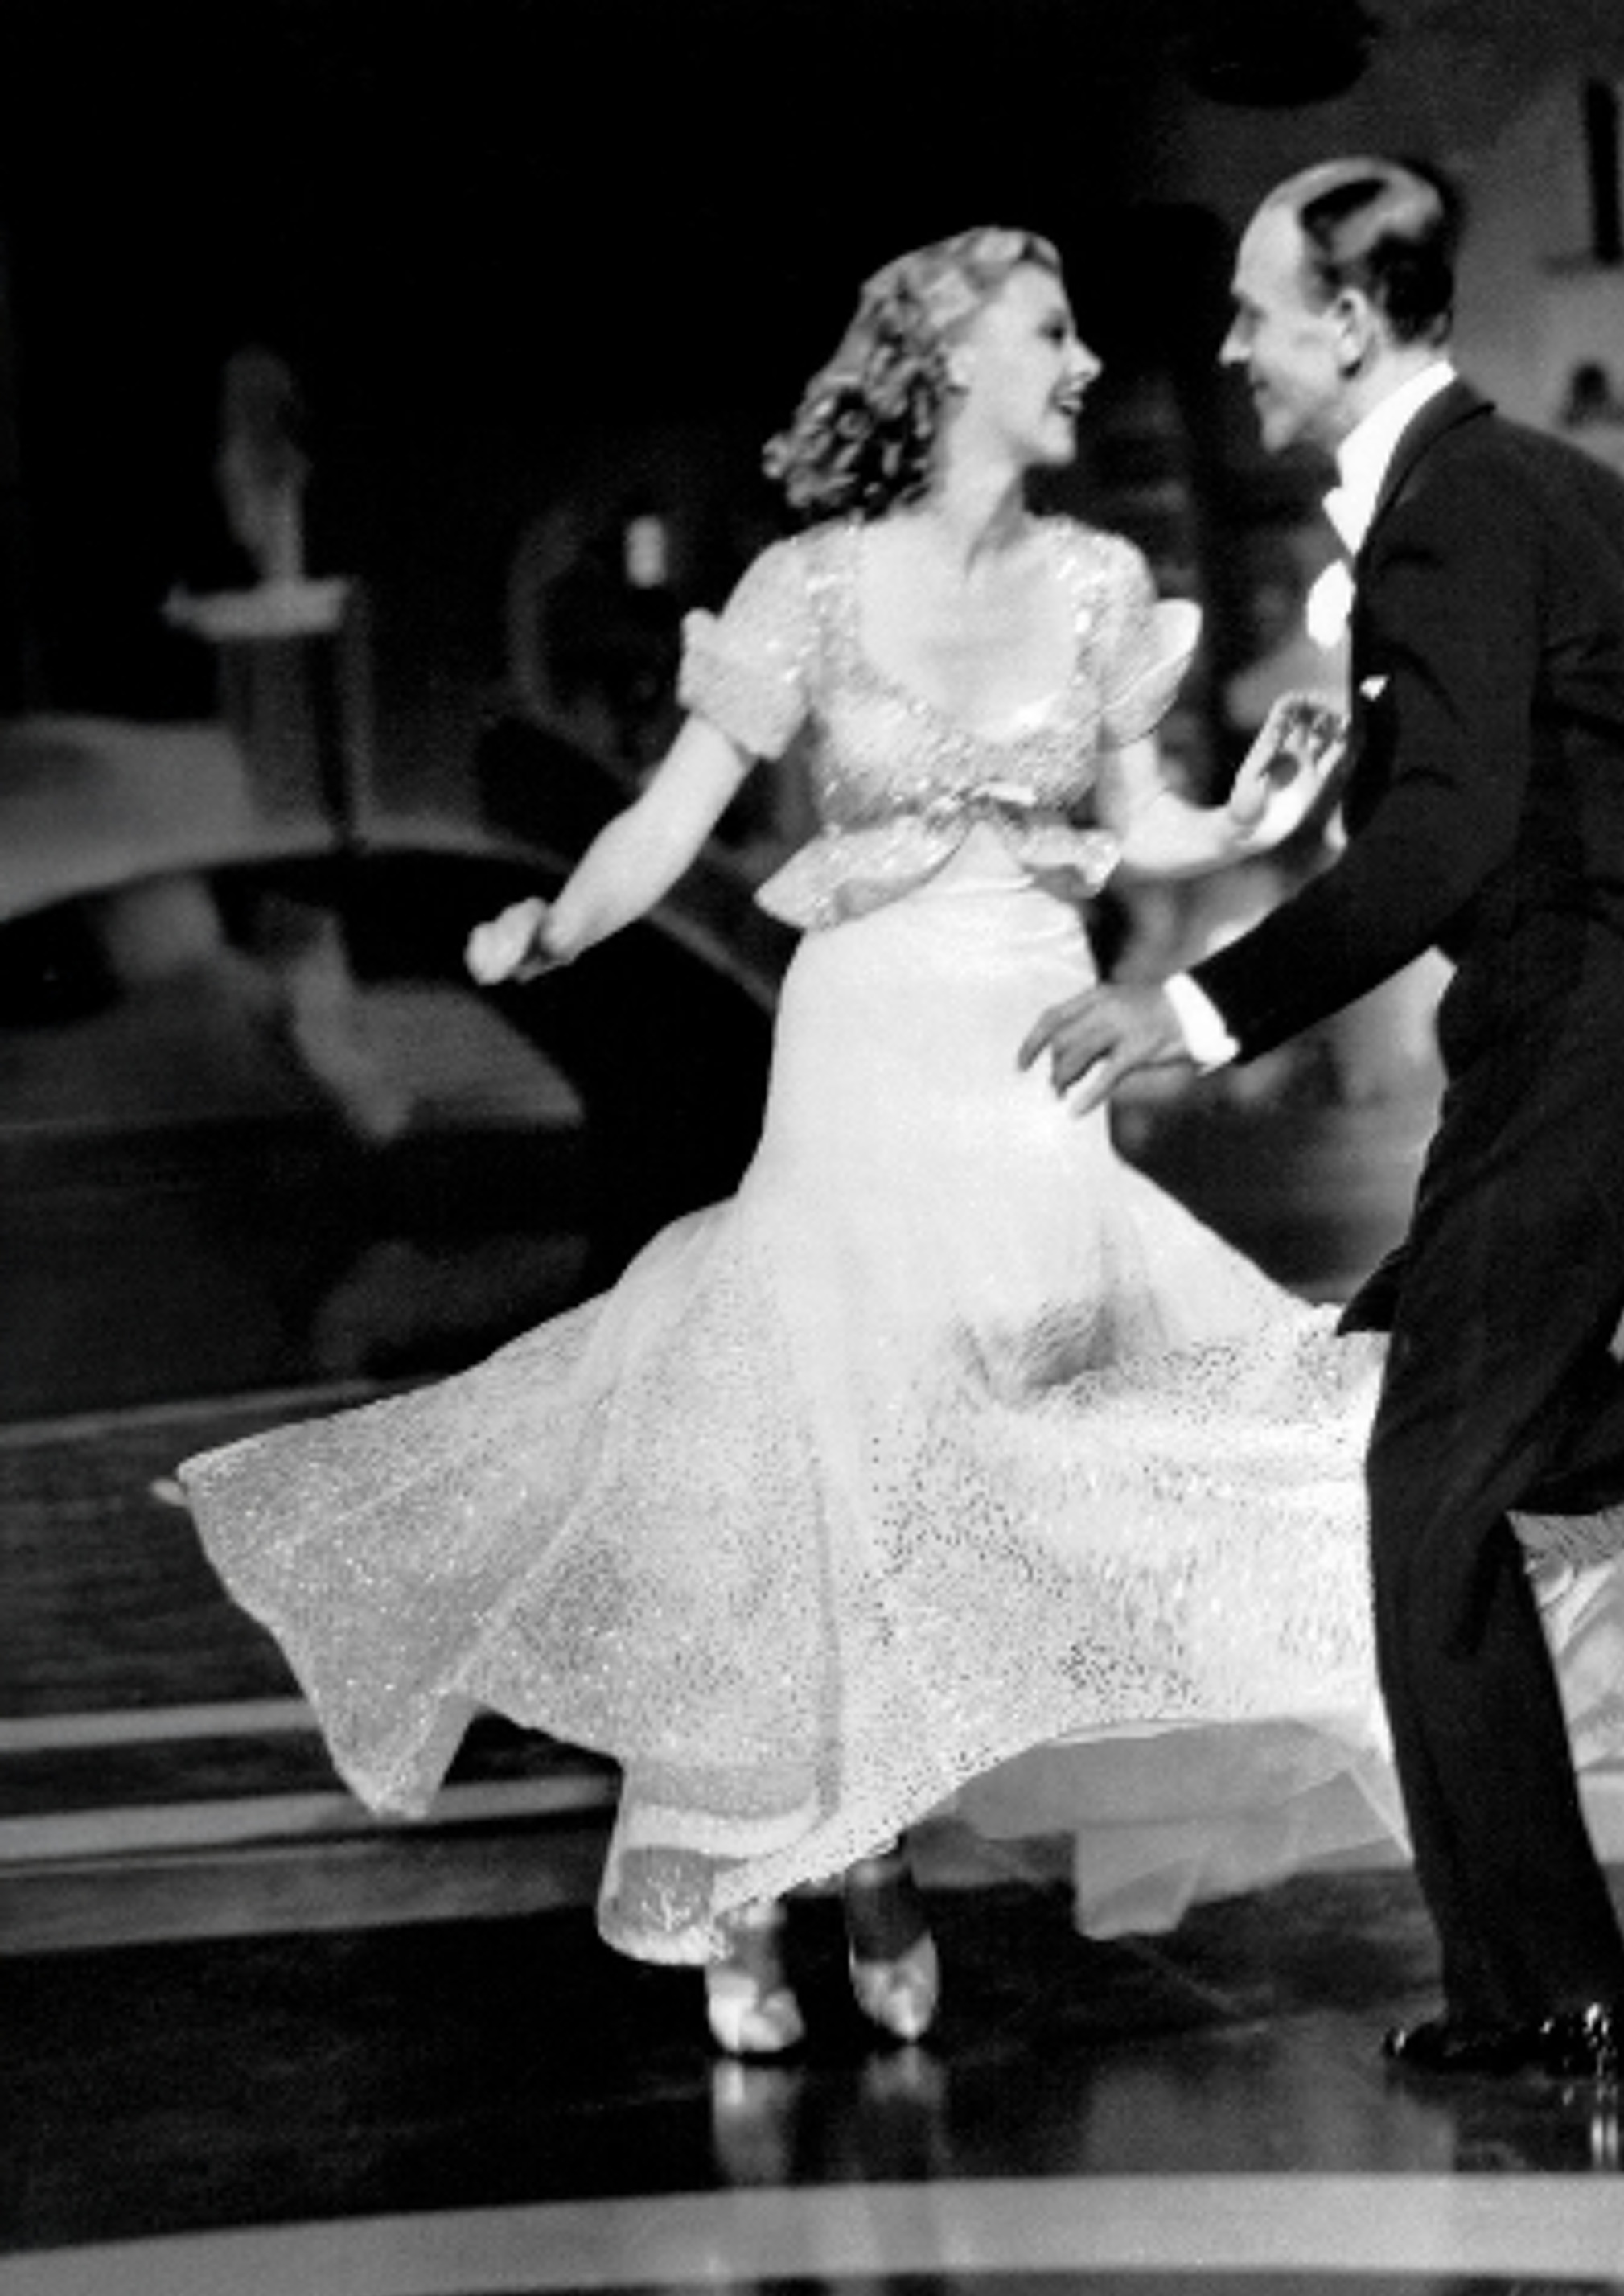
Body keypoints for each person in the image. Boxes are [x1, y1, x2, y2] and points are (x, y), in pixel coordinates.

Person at [175, 227, 1382, 2059]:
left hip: (1029, 1047)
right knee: (818, 1454)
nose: (1080, 364)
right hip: (869, 1044)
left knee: (1008, 1447)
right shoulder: (807, 586)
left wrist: (1247, 820)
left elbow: (1143, 819)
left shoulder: (1098, 581)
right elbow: (671, 820)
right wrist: (553, 926)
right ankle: (777, 1866)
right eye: (1048, 333)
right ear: (947, 362)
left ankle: (874, 1827)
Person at [1024, 159, 1624, 2091]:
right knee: (1411, 1403)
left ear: (1354, 318)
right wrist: (1500, 673)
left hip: (1600, 1025)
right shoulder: (1551, 487)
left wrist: (1192, 1009)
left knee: (1432, 1495)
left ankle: (1546, 1997)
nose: (1233, 348)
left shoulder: (1450, 521)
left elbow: (1444, 846)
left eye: (1257, 312)